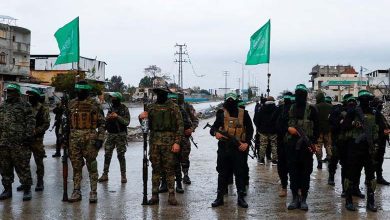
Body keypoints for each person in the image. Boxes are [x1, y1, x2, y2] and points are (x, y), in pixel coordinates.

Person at [139, 86, 183, 206]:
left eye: (162, 93)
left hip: (169, 143)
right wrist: (141, 117)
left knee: (170, 170)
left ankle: (171, 196)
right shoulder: (151, 108)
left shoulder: (173, 107)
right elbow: (145, 126)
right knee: (155, 170)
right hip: (154, 143)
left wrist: (177, 142)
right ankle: (154, 195)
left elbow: (180, 126)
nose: (160, 95)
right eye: (158, 93)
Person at [209, 93, 254, 208]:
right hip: (224, 148)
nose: (230, 102)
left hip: (239, 149)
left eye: (232, 100)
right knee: (222, 173)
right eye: (228, 100)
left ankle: (241, 198)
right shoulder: (221, 114)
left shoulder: (244, 114)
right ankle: (219, 198)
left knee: (240, 173)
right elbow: (213, 128)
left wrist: (246, 143)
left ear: (236, 101)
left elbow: (250, 130)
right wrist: (216, 133)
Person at [67, 81, 105, 203]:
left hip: (90, 139)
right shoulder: (71, 103)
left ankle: (93, 191)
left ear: (86, 91)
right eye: (77, 90)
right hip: (74, 139)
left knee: (91, 166)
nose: (78, 93)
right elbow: (67, 122)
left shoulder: (95, 104)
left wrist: (100, 139)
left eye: (81, 91)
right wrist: (64, 137)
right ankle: (76, 191)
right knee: (76, 166)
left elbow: (102, 123)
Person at [343, 90, 378, 212]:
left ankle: (371, 202)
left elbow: (379, 129)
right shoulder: (353, 111)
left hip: (369, 148)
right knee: (351, 174)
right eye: (364, 100)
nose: (366, 102)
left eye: (367, 100)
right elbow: (344, 126)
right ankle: (348, 200)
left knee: (371, 176)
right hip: (355, 147)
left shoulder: (374, 112)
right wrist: (354, 123)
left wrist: (376, 144)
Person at [285, 84, 319, 211]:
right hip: (292, 147)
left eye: (302, 94)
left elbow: (317, 127)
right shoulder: (289, 108)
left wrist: (313, 143)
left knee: (305, 173)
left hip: (306, 147)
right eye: (298, 93)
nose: (300, 96)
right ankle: (294, 198)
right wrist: (288, 129)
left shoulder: (312, 109)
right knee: (293, 173)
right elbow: (280, 123)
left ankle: (303, 198)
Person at [0, 83, 35, 201]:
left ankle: (27, 189)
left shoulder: (25, 106)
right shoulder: (3, 106)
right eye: (7, 92)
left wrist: (28, 136)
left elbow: (31, 122)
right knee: (5, 168)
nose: (8, 94)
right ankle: (7, 190)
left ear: (17, 93)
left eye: (11, 92)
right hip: (4, 143)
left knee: (23, 167)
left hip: (20, 143)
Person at [15, 88, 50, 192]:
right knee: (24, 162)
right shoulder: (25, 107)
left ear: (36, 97)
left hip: (37, 139)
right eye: (28, 97)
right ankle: (25, 182)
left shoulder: (42, 109)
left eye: (31, 97)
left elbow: (46, 123)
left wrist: (35, 131)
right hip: (25, 139)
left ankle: (40, 182)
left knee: (38, 161)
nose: (29, 99)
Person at [98, 92, 130, 183]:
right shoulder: (111, 109)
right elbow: (105, 122)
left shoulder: (124, 109)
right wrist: (108, 118)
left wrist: (117, 117)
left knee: (121, 155)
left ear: (118, 99)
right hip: (110, 134)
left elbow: (127, 122)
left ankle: (123, 176)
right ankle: (105, 174)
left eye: (113, 98)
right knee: (107, 155)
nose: (112, 100)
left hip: (120, 135)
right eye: (111, 98)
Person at [275, 92, 293, 197]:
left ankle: (285, 187)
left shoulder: (280, 109)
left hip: (286, 142)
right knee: (286, 165)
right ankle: (286, 187)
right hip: (285, 142)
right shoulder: (281, 110)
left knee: (284, 166)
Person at [371, 97, 390, 185]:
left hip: (381, 140)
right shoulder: (375, 114)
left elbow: (386, 125)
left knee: (379, 159)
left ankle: (377, 177)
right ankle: (373, 178)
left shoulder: (378, 113)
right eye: (380, 104)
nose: (382, 106)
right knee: (375, 159)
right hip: (377, 141)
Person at [255, 96, 278, 165]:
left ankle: (261, 159)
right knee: (274, 145)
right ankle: (274, 160)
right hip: (273, 130)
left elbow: (257, 119)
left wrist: (259, 127)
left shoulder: (262, 108)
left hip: (263, 130)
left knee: (263, 145)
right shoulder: (276, 109)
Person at [314, 92, 333, 169]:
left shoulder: (315, 107)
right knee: (328, 145)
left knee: (319, 146)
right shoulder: (331, 106)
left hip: (318, 130)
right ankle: (330, 158)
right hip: (328, 130)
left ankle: (319, 162)